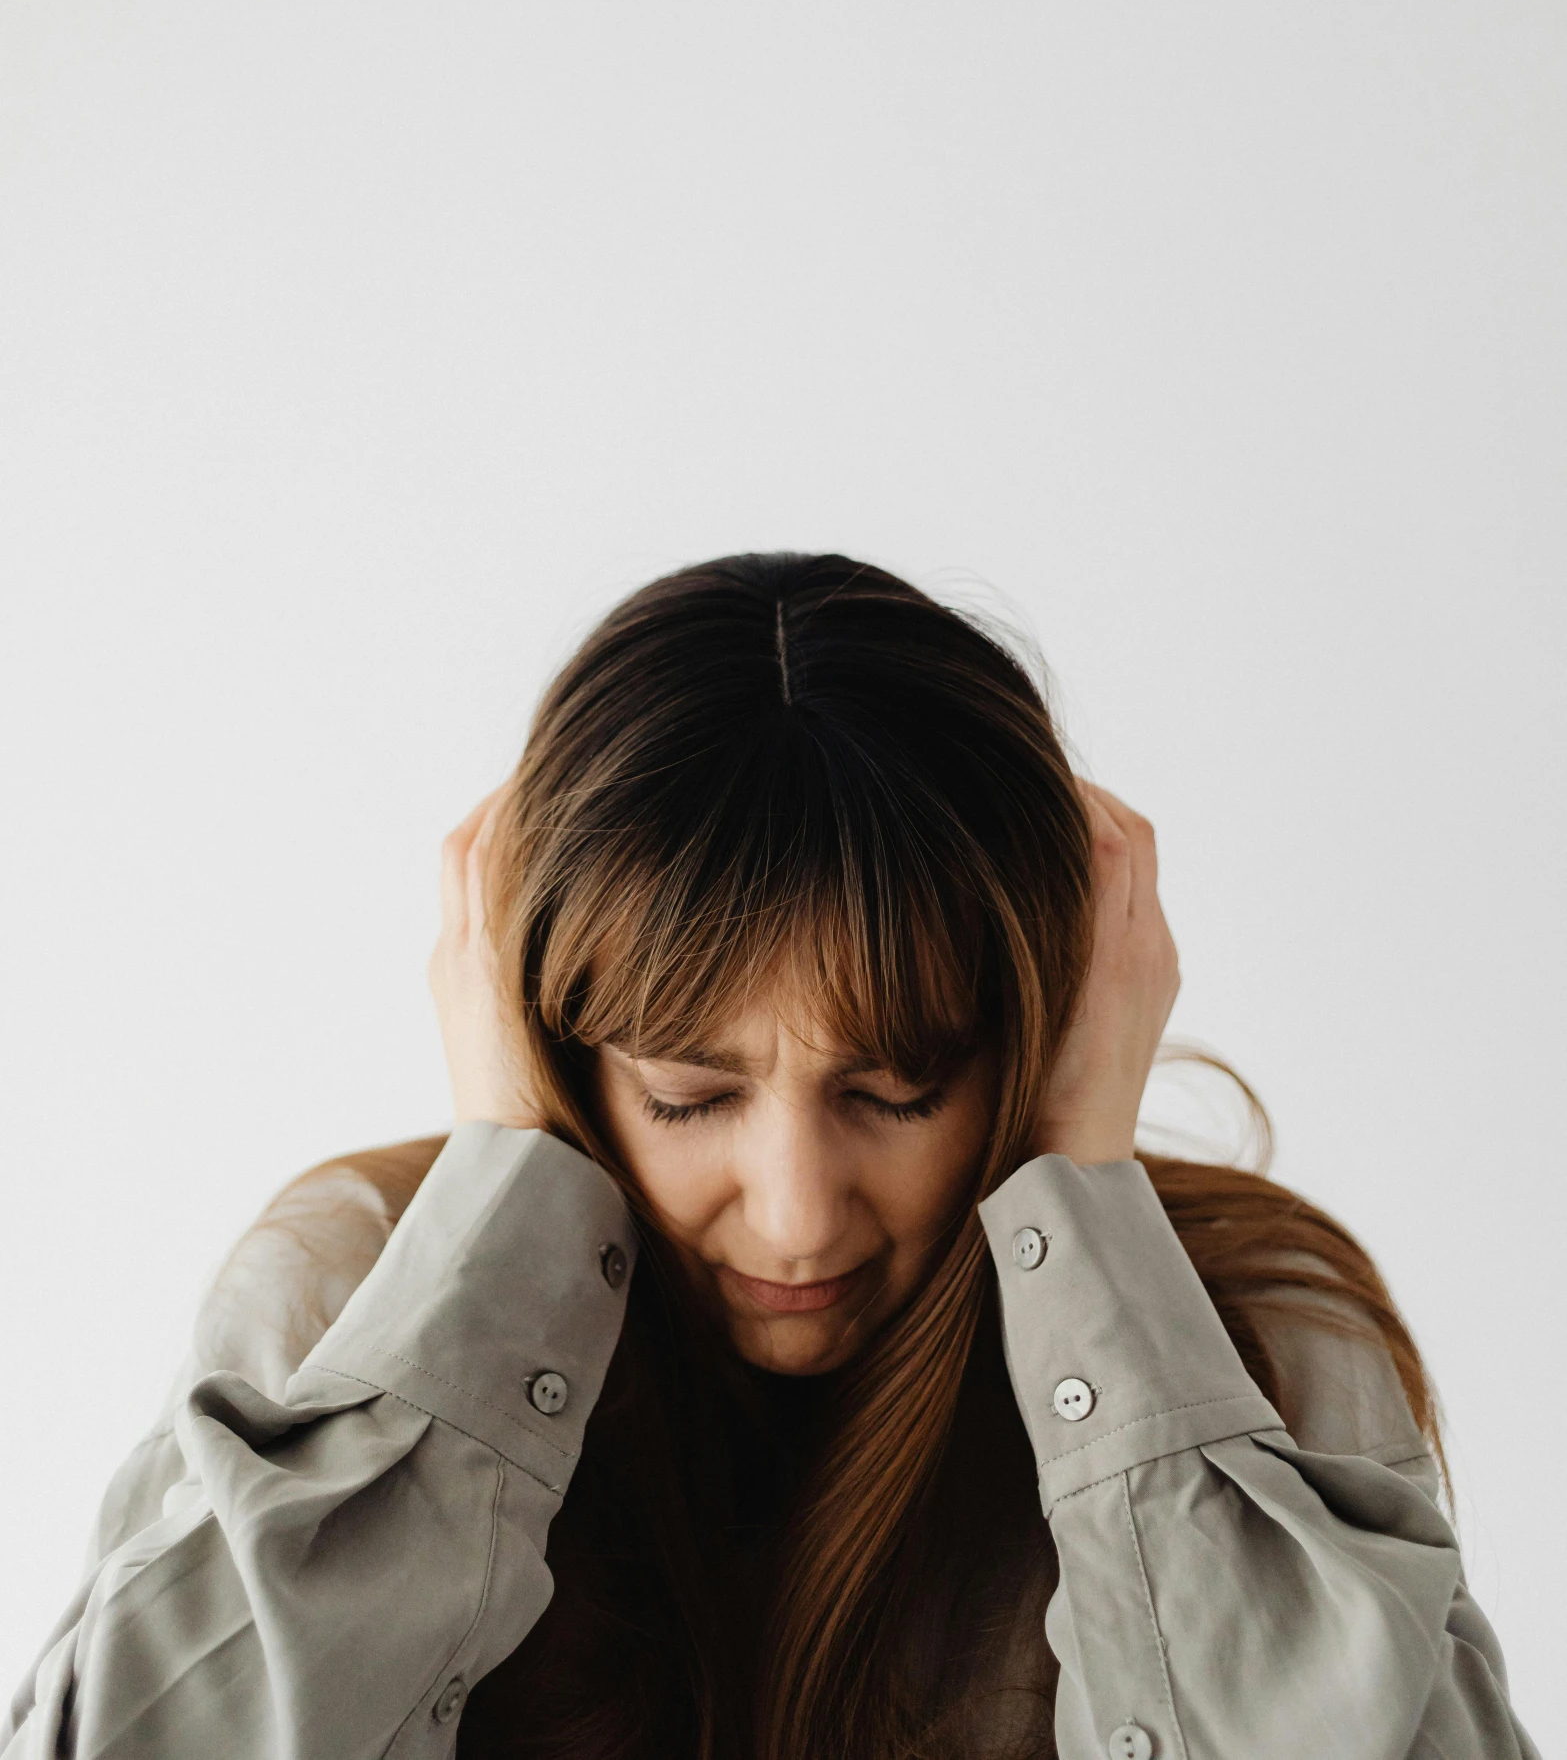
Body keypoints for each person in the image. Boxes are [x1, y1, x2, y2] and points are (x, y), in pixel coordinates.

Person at [4, 553, 1538, 1760]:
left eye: (898, 1086)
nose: (796, 1217)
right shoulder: (352, 1293)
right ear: (545, 1032)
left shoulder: (1252, 1328)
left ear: (1042, 1023)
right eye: (687, 1096)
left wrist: (1084, 1197)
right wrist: (501, 1212)